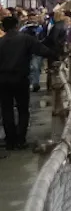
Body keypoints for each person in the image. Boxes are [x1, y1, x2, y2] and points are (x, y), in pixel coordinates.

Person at [0, 15, 39, 151]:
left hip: (3, 81)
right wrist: (56, 54)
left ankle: (10, 140)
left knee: (7, 110)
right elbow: (41, 49)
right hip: (21, 79)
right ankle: (20, 139)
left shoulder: (1, 42)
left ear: (3, 28)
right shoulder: (26, 39)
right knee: (23, 109)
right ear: (17, 25)